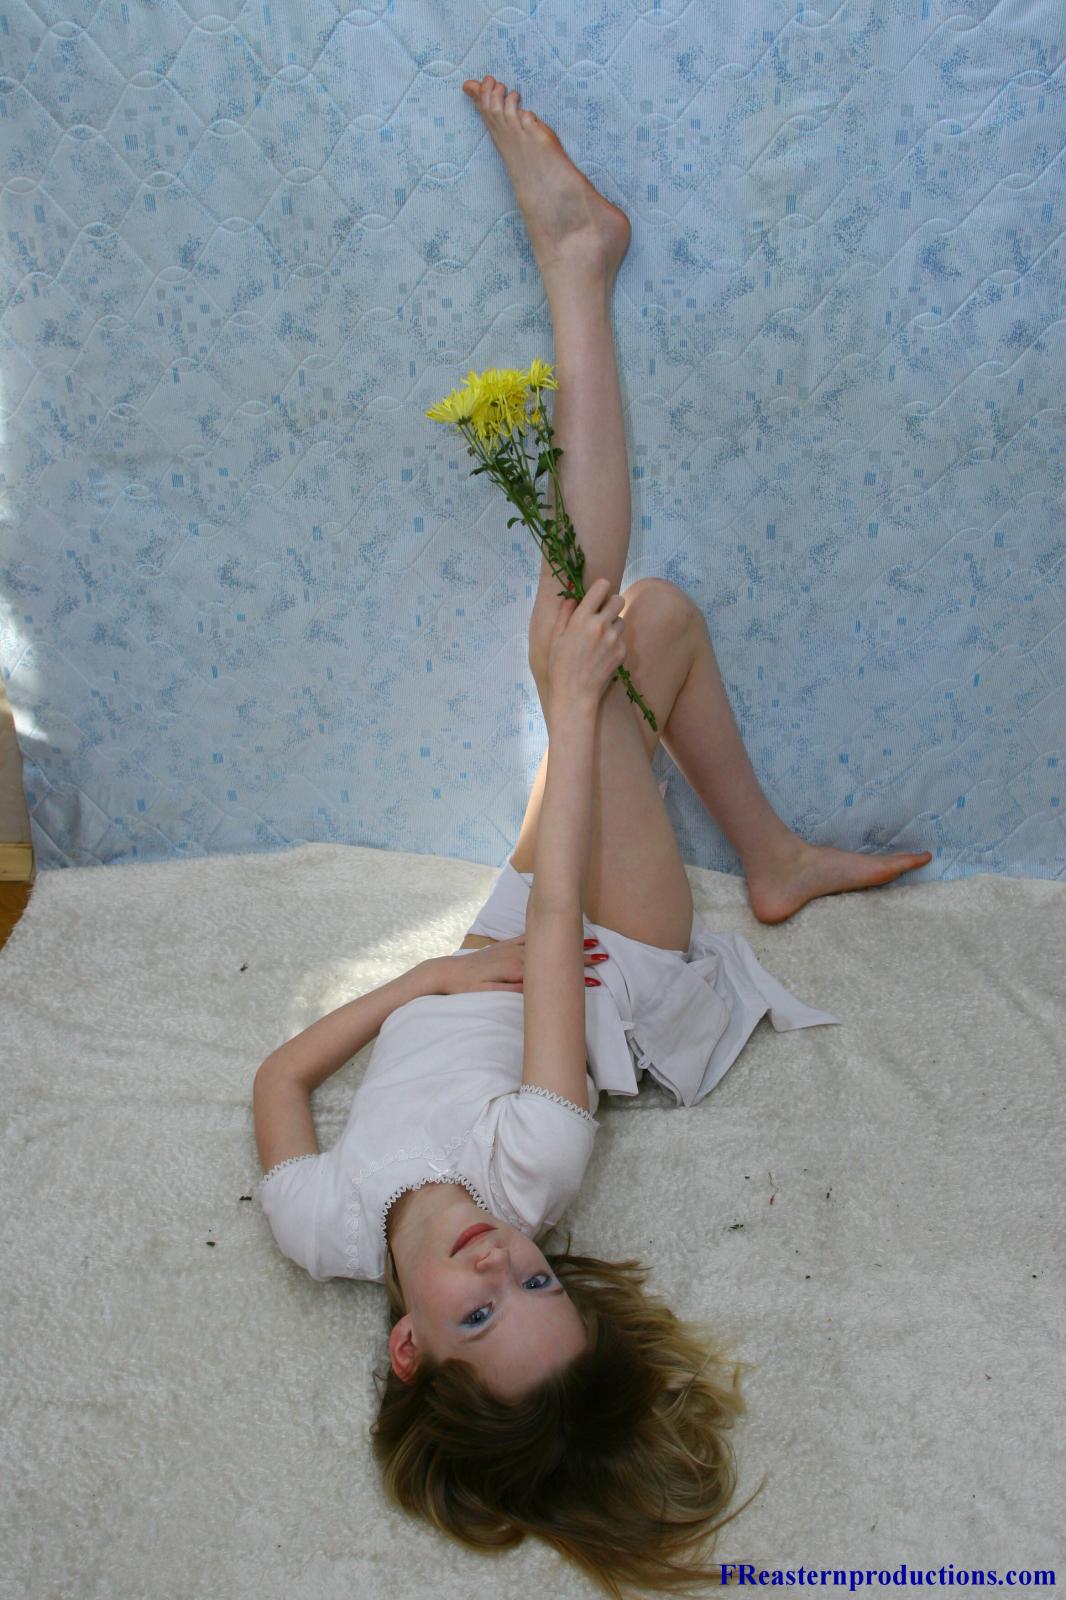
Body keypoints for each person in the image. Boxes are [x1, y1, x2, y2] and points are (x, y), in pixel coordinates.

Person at [252, 76, 933, 1598]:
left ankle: (770, 858)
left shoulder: (322, 1227)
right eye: (540, 1283)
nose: (503, 1262)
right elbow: (558, 935)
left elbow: (281, 1078)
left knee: (652, 628)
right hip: (602, 946)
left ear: (408, 1345)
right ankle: (577, 260)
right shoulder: (535, 1165)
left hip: (493, 947)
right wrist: (565, 719)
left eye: (480, 1312)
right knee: (580, 618)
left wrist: (428, 986)